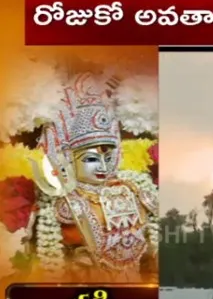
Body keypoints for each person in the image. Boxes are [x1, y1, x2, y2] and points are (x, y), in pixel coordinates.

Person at [1, 73, 158, 282]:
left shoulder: (134, 189)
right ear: (68, 157)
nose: (103, 166)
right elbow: (46, 262)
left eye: (108, 157)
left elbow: (151, 255)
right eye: (91, 159)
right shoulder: (59, 200)